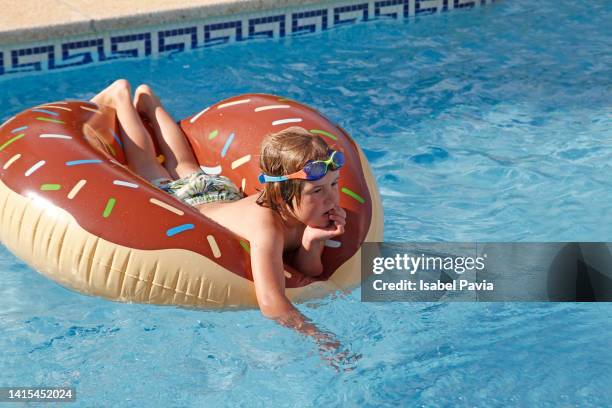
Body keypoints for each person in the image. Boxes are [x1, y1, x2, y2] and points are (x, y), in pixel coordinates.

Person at [90, 79, 348, 354]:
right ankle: (121, 98)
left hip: (223, 194)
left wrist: (313, 242)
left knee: (183, 162)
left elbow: (308, 273)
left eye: (334, 184)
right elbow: (272, 304)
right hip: (187, 203)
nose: (331, 198)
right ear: (284, 192)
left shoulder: (306, 215)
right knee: (149, 165)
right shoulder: (267, 228)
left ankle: (150, 103)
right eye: (317, 190)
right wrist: (321, 338)